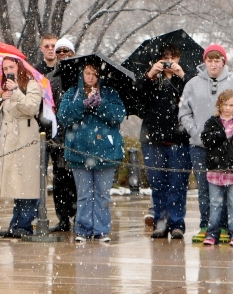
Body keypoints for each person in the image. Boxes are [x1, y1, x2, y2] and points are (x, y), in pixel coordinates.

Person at [179, 44, 233, 242]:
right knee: (205, 189)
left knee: (226, 189)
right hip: (199, 145)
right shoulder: (192, 84)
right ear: (204, 61)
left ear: (224, 61)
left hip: (226, 147)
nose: (213, 64)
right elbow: (184, 112)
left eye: (217, 60)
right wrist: (195, 131)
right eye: (210, 60)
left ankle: (223, 227)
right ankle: (206, 225)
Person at [58, 62, 126, 242]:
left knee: (102, 195)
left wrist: (102, 105)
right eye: (87, 73)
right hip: (79, 152)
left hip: (106, 152)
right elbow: (63, 117)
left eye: (94, 74)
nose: (90, 77)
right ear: (82, 74)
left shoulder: (110, 93)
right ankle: (83, 229)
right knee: (84, 194)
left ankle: (101, 230)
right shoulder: (72, 93)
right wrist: (82, 105)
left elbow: (118, 116)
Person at [136, 45, 189, 239]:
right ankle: (160, 222)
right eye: (164, 58)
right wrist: (150, 75)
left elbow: (193, 100)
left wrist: (182, 75)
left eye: (172, 57)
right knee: (158, 184)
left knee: (177, 184)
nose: (169, 61)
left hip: (179, 139)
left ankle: (176, 224)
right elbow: (137, 97)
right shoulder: (151, 80)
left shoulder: (185, 81)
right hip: (153, 139)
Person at [0, 56, 43, 238]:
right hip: (11, 139)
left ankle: (25, 224)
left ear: (18, 66)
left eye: (11, 67)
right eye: (5, 68)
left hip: (27, 138)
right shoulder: (6, 87)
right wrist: (2, 99)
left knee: (28, 182)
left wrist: (16, 91)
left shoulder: (30, 84)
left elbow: (31, 108)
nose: (8, 71)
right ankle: (16, 223)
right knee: (16, 182)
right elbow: (5, 113)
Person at [201, 89, 233, 246]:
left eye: (231, 105)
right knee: (215, 203)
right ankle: (212, 233)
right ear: (220, 104)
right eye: (225, 104)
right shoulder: (212, 122)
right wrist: (219, 135)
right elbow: (206, 140)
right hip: (215, 170)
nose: (228, 108)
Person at [46, 38, 78, 232]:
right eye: (60, 51)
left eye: (67, 50)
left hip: (77, 136)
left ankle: (79, 216)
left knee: (77, 180)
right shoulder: (50, 79)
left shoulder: (81, 76)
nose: (63, 54)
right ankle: (63, 218)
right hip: (57, 137)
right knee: (60, 180)